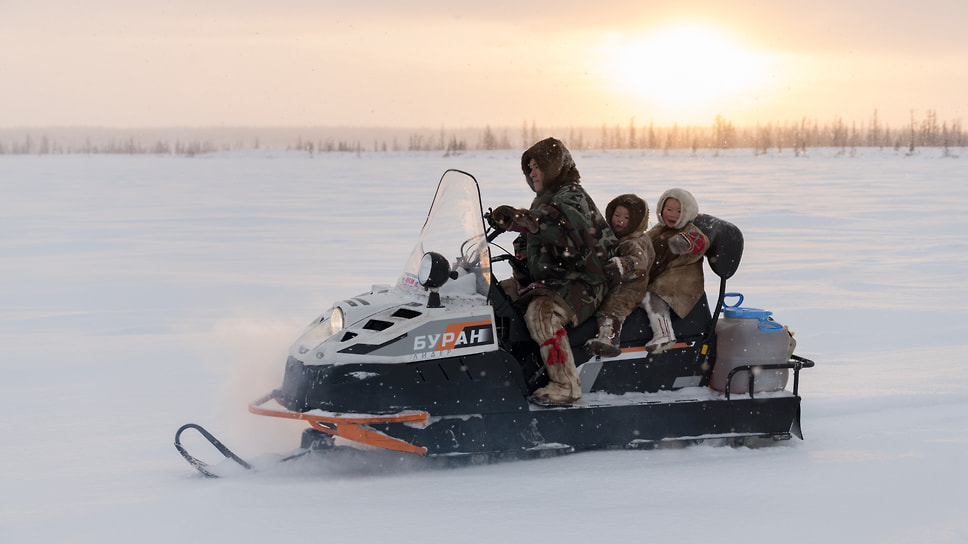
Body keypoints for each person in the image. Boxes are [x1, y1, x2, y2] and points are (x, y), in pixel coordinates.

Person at [488, 137, 617, 404]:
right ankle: (502, 370)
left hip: (587, 280)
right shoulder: (543, 201)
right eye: (529, 168)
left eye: (538, 166)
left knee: (541, 314)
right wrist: (521, 256)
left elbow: (555, 225)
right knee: (494, 297)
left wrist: (519, 219)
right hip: (555, 278)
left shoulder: (571, 196)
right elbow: (533, 235)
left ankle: (566, 384)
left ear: (554, 167)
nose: (532, 172)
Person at [585, 194, 655, 357]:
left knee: (613, 305)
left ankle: (609, 339)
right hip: (617, 281)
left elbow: (640, 262)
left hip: (632, 286)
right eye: (617, 215)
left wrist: (620, 265)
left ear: (636, 221)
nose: (620, 220)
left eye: (626, 218)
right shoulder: (614, 237)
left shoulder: (634, 241)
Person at [643, 188, 710, 353]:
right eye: (669, 209)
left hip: (680, 283)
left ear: (688, 213)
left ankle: (665, 334)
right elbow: (645, 243)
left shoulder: (691, 231)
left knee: (651, 294)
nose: (673, 214)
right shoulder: (660, 229)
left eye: (679, 211)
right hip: (663, 275)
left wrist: (684, 242)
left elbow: (701, 242)